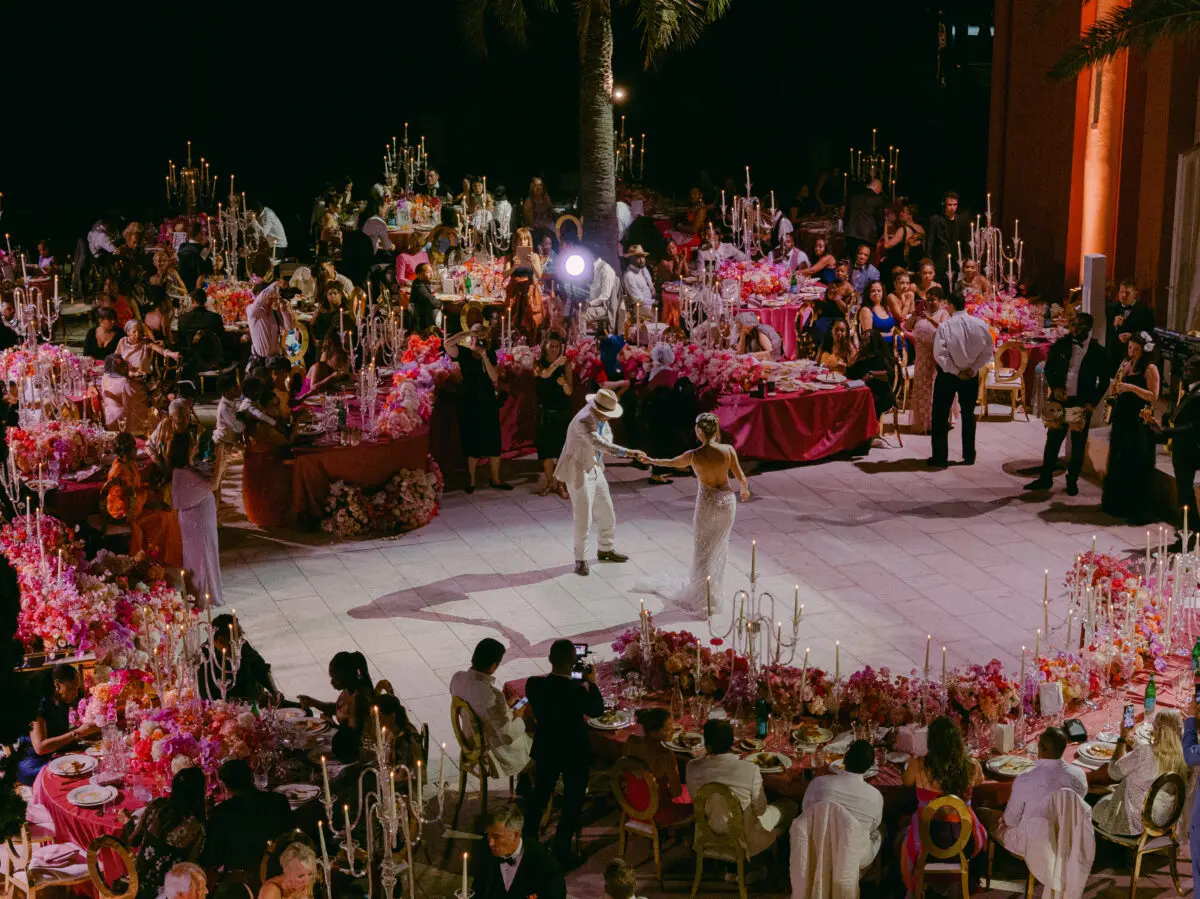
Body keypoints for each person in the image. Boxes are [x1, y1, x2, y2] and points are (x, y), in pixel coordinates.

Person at [641, 413, 749, 614]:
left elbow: (671, 462)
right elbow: (740, 477)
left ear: (699, 432)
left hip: (707, 503)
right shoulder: (728, 450)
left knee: (703, 549)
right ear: (716, 431)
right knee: (719, 545)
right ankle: (714, 593)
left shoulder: (693, 455)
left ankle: (703, 594)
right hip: (726, 502)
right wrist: (744, 490)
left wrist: (650, 459)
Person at [523, 640, 605, 867]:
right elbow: (597, 710)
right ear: (574, 663)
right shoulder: (577, 692)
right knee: (573, 800)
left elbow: (550, 691)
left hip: (547, 747)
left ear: (550, 660)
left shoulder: (534, 685)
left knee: (540, 795)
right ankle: (561, 846)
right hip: (573, 752)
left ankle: (527, 840)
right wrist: (592, 683)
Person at [555, 388, 642, 576]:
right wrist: (628, 452)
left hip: (594, 466)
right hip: (579, 469)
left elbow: (605, 438)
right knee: (583, 517)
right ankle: (581, 559)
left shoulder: (601, 418)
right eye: (607, 414)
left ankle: (606, 549)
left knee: (607, 511)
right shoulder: (584, 420)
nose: (608, 418)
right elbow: (599, 443)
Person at [686, 719, 798, 860]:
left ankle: (735, 869)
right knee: (790, 806)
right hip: (743, 841)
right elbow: (760, 810)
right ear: (732, 742)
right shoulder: (750, 770)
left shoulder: (691, 766)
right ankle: (768, 865)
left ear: (707, 745)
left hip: (706, 834)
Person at [1024, 313, 1110, 496]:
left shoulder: (1098, 352)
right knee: (1053, 440)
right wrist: (1055, 387)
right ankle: (1045, 478)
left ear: (1088, 328)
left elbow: (1103, 382)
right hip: (1060, 401)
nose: (1074, 329)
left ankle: (1072, 481)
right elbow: (1048, 368)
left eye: (1079, 326)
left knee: (1078, 444)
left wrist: (1092, 403)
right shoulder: (1062, 345)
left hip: (1080, 402)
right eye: (1073, 325)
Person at [899, 716, 986, 891]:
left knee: (900, 826)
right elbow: (980, 782)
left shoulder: (919, 765)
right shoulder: (972, 766)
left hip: (927, 839)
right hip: (963, 840)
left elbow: (906, 781)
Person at [984, 726, 1086, 858]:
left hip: (1031, 844)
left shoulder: (1026, 778)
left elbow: (1010, 821)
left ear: (1041, 749)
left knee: (984, 814)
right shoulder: (1079, 775)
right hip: (1064, 838)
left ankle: (981, 867)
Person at [1093, 708, 1187, 835]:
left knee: (1095, 807)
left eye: (1154, 727)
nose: (1151, 730)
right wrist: (1138, 745)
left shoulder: (1145, 752)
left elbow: (1114, 773)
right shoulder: (1184, 754)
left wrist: (1122, 738)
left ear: (1159, 730)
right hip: (1164, 818)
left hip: (1137, 820)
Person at [449, 638, 533, 779]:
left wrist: (504, 708)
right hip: (491, 752)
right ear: (494, 666)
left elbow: (480, 709)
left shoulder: (457, 678)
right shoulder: (492, 695)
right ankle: (528, 783)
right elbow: (507, 736)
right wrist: (518, 715)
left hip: (469, 739)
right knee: (537, 739)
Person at [121, 766, 207, 899]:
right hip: (166, 893)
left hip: (136, 886)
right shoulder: (198, 827)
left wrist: (127, 823)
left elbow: (132, 841)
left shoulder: (158, 807)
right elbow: (190, 868)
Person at [1101, 331, 1161, 523]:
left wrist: (1130, 388)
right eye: (1130, 348)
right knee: (1120, 458)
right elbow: (1117, 384)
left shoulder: (1150, 368)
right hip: (1123, 416)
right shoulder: (1125, 363)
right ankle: (1118, 504)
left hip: (1137, 419)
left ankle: (1136, 508)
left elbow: (1153, 395)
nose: (1132, 351)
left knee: (1136, 461)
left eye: (1136, 349)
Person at [929, 292, 994, 468]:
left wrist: (956, 371)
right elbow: (988, 351)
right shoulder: (980, 325)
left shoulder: (945, 327)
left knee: (940, 415)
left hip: (949, 375)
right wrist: (972, 369)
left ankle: (940, 458)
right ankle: (969, 455)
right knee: (968, 414)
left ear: (949, 305)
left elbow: (940, 355)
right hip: (970, 375)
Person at [798, 739, 883, 871]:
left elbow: (805, 811)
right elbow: (873, 827)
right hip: (854, 858)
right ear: (870, 767)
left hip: (818, 849)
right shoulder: (875, 796)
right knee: (879, 832)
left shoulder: (819, 783)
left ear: (844, 759)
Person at [202, 759, 294, 881]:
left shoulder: (221, 814)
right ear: (252, 778)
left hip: (243, 881)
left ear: (225, 785)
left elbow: (213, 858)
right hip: (280, 867)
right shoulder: (279, 800)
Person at [445, 324, 511, 492]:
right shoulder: (464, 353)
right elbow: (447, 344)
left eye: (481, 334)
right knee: (472, 440)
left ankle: (495, 478)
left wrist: (485, 357)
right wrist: (468, 332)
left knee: (493, 439)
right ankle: (472, 480)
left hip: (488, 400)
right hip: (470, 400)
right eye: (476, 335)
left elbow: (494, 377)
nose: (479, 338)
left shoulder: (489, 354)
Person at [1149, 355, 1200, 551]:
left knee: (1185, 496)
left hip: (1190, 451)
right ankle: (1188, 533)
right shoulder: (1189, 390)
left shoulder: (1198, 394)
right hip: (1182, 450)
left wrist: (1165, 432)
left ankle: (1188, 536)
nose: (1184, 372)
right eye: (1185, 367)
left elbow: (1193, 428)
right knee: (1184, 495)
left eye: (1189, 369)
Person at [16, 664, 97, 784]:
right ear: (57, 684)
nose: (75, 693)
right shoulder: (38, 704)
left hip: (52, 756)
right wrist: (78, 732)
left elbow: (60, 733)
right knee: (76, 773)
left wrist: (89, 730)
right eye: (72, 688)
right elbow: (40, 747)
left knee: (89, 763)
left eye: (77, 688)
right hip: (33, 763)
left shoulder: (60, 701)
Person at [169, 432, 222, 606]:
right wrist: (221, 460)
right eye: (192, 445)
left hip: (201, 519)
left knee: (203, 554)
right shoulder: (181, 473)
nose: (196, 447)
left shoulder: (188, 468)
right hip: (196, 522)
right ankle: (202, 596)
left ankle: (203, 594)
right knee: (200, 557)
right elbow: (213, 484)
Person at [474, 804, 566, 899]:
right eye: (488, 835)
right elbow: (478, 889)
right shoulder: (486, 849)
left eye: (497, 837)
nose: (490, 843)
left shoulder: (546, 865)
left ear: (516, 835)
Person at [621, 708, 691, 824]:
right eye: (667, 729)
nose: (672, 731)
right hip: (656, 814)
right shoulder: (666, 755)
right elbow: (676, 792)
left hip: (631, 806)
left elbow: (624, 771)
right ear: (653, 731)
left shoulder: (631, 741)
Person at [200, 614, 278, 702]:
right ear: (222, 640)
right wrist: (253, 701)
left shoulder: (241, 645)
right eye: (238, 636)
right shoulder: (204, 660)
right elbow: (211, 700)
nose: (242, 640)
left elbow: (261, 667)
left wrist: (274, 692)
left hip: (260, 699)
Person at [905, 286, 950, 435]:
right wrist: (914, 315)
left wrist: (929, 318)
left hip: (937, 356)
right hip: (921, 356)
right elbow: (907, 326)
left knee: (936, 389)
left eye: (934, 300)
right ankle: (924, 422)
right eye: (928, 299)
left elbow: (944, 329)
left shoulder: (943, 313)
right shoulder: (919, 314)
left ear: (940, 301)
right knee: (923, 388)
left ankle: (937, 422)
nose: (930, 302)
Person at [534, 332, 573, 497]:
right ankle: (549, 482)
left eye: (557, 347)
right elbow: (543, 375)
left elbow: (570, 391)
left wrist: (564, 384)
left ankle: (561, 484)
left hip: (562, 412)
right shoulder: (539, 363)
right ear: (545, 347)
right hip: (545, 412)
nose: (554, 350)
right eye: (551, 346)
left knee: (561, 450)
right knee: (546, 451)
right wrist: (556, 364)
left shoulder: (566, 365)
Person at [297, 651, 376, 732]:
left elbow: (353, 737)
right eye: (331, 676)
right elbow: (338, 709)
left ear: (345, 676)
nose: (331, 682)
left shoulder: (359, 700)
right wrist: (313, 702)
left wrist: (330, 724)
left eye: (335, 678)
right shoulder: (348, 689)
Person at [1106, 278, 1155, 375]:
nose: (1123, 295)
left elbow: (1150, 335)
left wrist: (1133, 336)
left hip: (1134, 359)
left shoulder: (1146, 312)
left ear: (1135, 293)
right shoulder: (1110, 308)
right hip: (1112, 356)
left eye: (1127, 293)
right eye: (1121, 292)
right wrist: (1113, 325)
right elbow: (1103, 331)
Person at [848, 328, 899, 419]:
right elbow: (850, 371)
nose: (862, 344)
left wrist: (871, 374)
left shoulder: (881, 359)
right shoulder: (862, 356)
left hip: (880, 395)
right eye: (862, 341)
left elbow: (889, 375)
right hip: (860, 392)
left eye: (865, 341)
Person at [177, 288, 227, 377]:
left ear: (192, 301)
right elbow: (223, 338)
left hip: (193, 361)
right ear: (205, 300)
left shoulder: (183, 319)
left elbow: (181, 340)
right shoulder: (215, 318)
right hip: (215, 360)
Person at [247, 281, 295, 363]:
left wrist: (284, 311)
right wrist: (273, 285)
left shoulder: (274, 312)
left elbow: (289, 327)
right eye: (270, 296)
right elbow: (258, 302)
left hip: (274, 360)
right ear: (260, 295)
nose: (272, 299)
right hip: (259, 361)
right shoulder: (252, 310)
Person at [927, 191, 969, 282]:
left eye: (955, 205)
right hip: (939, 261)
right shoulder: (935, 220)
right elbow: (930, 242)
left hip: (956, 261)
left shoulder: (960, 220)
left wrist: (965, 258)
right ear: (944, 205)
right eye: (949, 205)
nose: (952, 208)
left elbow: (964, 240)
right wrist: (929, 262)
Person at [880, 203, 925, 285]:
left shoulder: (903, 230)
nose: (900, 214)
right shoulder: (921, 229)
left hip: (900, 268)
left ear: (910, 216)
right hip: (915, 269)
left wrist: (885, 227)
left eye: (903, 212)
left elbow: (887, 245)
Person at [843, 178, 885, 258]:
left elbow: (846, 216)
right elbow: (880, 222)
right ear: (878, 189)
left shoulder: (853, 196)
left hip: (850, 235)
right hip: (867, 237)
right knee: (865, 265)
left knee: (852, 261)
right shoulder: (878, 199)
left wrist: (846, 230)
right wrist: (878, 236)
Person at [506, 265, 545, 344]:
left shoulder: (533, 255)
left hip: (530, 291)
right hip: (515, 291)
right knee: (513, 321)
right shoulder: (511, 254)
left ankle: (531, 345)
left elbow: (540, 276)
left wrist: (533, 264)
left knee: (531, 321)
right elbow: (504, 274)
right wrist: (514, 266)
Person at [856, 279, 898, 349]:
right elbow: (869, 335)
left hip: (893, 342)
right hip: (878, 345)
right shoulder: (865, 310)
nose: (876, 293)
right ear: (868, 293)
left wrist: (894, 332)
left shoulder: (886, 307)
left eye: (879, 291)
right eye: (873, 291)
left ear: (882, 293)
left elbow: (892, 326)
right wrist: (888, 334)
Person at [620, 245, 655, 323]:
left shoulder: (641, 267)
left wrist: (652, 288)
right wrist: (654, 302)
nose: (642, 260)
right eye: (638, 257)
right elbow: (638, 299)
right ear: (630, 259)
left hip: (650, 300)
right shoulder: (629, 276)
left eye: (643, 257)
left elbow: (646, 274)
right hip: (641, 307)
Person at [177, 222, 212, 291]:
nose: (202, 234)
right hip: (197, 287)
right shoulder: (204, 250)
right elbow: (208, 271)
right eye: (202, 232)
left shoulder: (182, 246)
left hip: (181, 286)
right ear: (199, 233)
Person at [407, 262, 440, 334]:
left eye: (432, 272)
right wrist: (441, 304)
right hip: (420, 315)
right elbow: (429, 299)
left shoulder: (423, 281)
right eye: (428, 272)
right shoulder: (418, 285)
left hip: (424, 309)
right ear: (419, 274)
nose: (431, 274)